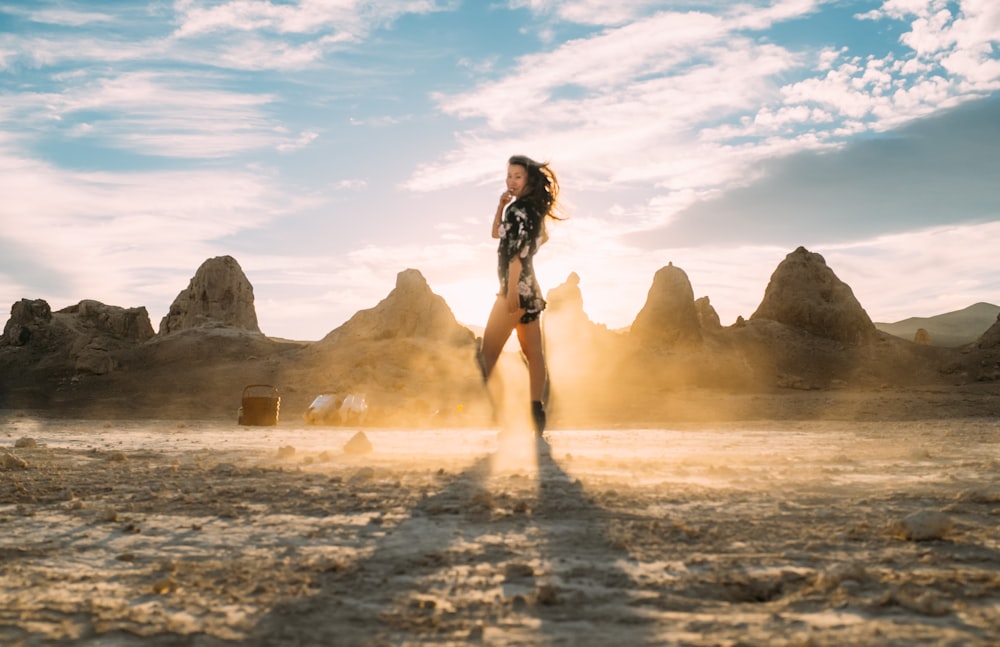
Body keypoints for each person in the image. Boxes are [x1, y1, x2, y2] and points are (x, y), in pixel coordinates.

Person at [478, 155, 562, 436]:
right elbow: (496, 234)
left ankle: (491, 411)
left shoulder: (519, 211)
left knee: (488, 352)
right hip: (531, 291)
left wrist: (511, 290)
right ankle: (536, 416)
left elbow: (516, 255)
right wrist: (501, 206)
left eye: (517, 176)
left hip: (513, 291)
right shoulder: (531, 212)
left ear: (529, 181)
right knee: (534, 355)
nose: (510, 181)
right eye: (509, 176)